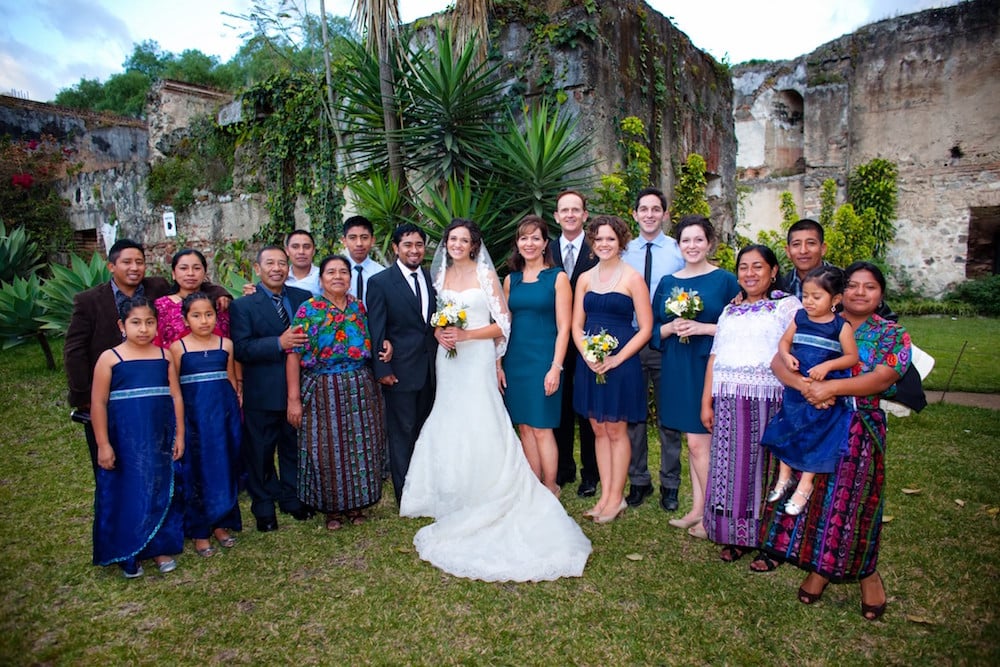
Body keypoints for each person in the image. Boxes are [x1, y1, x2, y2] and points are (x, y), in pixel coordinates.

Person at [400, 218, 591, 582]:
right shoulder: (438, 276)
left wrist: (468, 335)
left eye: (464, 240)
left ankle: (539, 486)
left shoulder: (489, 276)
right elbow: (435, 318)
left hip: (477, 358)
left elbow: (504, 324)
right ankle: (453, 486)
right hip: (450, 359)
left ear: (474, 245)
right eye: (451, 239)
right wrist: (442, 332)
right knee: (452, 418)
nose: (456, 244)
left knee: (488, 419)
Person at [760, 262, 911, 622]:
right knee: (814, 501)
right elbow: (778, 362)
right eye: (854, 286)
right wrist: (807, 388)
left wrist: (830, 387)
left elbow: (882, 377)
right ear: (840, 294)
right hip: (811, 420)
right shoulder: (817, 317)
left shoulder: (892, 334)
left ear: (881, 294)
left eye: (870, 287)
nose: (861, 293)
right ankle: (821, 569)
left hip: (859, 426)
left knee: (854, 503)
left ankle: (867, 574)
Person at [64, 239, 229, 478]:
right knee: (112, 463)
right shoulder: (90, 300)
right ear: (111, 266)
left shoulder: (157, 287)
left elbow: (192, 287)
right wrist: (83, 396)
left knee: (154, 457)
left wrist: (222, 293)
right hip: (113, 388)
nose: (134, 268)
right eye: (127, 262)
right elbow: (74, 349)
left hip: (155, 385)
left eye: (139, 262)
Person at [699, 245, 799, 571]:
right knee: (733, 471)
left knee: (769, 472)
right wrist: (706, 401)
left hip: (772, 400)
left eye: (758, 267)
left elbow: (796, 353)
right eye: (744, 267)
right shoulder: (730, 310)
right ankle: (737, 536)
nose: (750, 273)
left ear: (773, 271)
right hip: (729, 400)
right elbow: (716, 355)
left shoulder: (786, 307)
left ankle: (772, 543)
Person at [651, 216, 740, 537]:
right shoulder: (667, 282)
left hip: (708, 365)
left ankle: (712, 515)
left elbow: (741, 325)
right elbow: (653, 330)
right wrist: (671, 327)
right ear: (678, 245)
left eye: (698, 240)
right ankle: (697, 507)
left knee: (700, 443)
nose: (692, 246)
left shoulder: (725, 281)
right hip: (677, 365)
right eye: (686, 241)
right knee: (694, 442)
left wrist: (703, 327)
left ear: (710, 243)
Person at [286, 255, 387, 530]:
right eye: (331, 272)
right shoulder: (309, 310)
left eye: (343, 272)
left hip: (359, 385)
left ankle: (356, 505)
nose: (338, 277)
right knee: (325, 449)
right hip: (321, 386)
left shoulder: (359, 307)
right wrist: (293, 399)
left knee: (359, 446)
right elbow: (293, 354)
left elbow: (376, 337)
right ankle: (332, 509)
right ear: (321, 279)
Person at [90, 297, 184, 578]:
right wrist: (104, 444)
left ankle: (159, 546)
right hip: (126, 441)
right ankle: (129, 550)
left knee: (159, 486)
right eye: (135, 322)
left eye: (149, 322)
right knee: (129, 491)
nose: (143, 329)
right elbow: (98, 403)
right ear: (122, 325)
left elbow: (175, 395)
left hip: (159, 438)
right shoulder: (110, 358)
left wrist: (179, 433)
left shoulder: (164, 356)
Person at [572, 215, 653, 524]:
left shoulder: (633, 278)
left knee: (617, 430)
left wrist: (617, 358)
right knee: (598, 428)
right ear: (592, 242)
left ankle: (616, 498)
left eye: (610, 239)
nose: (604, 244)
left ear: (621, 242)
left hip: (621, 363)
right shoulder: (584, 279)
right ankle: (605, 495)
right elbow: (577, 325)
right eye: (599, 239)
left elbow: (645, 328)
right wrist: (586, 353)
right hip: (590, 361)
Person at [761, 266, 859, 516]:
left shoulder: (840, 327)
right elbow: (784, 342)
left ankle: (805, 484)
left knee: (816, 436)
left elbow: (851, 357)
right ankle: (784, 478)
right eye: (806, 295)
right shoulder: (800, 318)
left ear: (835, 300)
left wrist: (828, 365)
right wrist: (786, 356)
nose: (809, 301)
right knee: (787, 428)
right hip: (797, 386)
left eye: (817, 297)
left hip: (822, 390)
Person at [230, 246, 313, 532]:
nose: (277, 268)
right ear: (257, 268)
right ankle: (264, 506)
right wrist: (279, 343)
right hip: (262, 391)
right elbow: (241, 348)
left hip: (299, 389)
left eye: (282, 263)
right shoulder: (242, 306)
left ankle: (292, 498)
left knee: (293, 447)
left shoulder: (304, 299)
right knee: (261, 452)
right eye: (270, 263)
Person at [621, 187, 685, 511]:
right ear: (634, 214)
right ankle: (639, 480)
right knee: (634, 416)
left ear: (664, 213)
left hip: (666, 341)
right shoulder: (623, 251)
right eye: (643, 209)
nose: (649, 214)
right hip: (631, 341)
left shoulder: (678, 251)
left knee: (668, 416)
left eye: (655, 209)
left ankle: (670, 484)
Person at [366, 223, 438, 503]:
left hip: (432, 370)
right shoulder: (381, 282)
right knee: (402, 433)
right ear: (396, 248)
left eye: (419, 245)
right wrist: (383, 370)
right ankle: (405, 493)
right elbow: (377, 328)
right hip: (400, 371)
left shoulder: (434, 278)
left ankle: (427, 487)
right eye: (408, 245)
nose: (414, 250)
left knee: (426, 430)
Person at [501, 215, 572, 496]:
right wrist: (499, 363)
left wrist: (556, 367)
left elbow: (564, 327)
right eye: (523, 238)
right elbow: (503, 327)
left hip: (544, 360)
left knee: (542, 427)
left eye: (535, 238)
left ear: (545, 243)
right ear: (517, 244)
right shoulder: (511, 281)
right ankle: (533, 486)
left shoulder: (558, 278)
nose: (528, 243)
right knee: (525, 427)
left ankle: (551, 486)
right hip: (516, 361)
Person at [168, 292, 242, 557]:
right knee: (197, 473)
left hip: (223, 419)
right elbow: (174, 389)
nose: (204, 321)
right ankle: (200, 531)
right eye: (196, 316)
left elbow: (231, 381)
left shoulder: (226, 345)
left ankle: (222, 523)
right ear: (186, 319)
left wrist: (234, 414)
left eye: (209, 314)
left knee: (224, 468)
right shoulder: (178, 349)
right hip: (195, 421)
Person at [550, 190, 600, 497]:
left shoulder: (599, 248)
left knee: (588, 409)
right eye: (564, 210)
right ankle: (563, 467)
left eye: (575, 209)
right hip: (556, 341)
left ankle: (591, 474)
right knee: (560, 407)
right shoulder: (546, 249)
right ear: (556, 216)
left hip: (591, 339)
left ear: (584, 215)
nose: (569, 214)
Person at [154, 248, 231, 348]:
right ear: (173, 274)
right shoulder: (161, 306)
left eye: (197, 268)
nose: (190, 273)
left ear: (205, 273)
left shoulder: (218, 303)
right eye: (183, 268)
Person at [342, 215, 385, 307]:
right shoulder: (334, 273)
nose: (359, 244)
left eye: (364, 237)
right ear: (344, 241)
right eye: (353, 238)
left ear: (372, 240)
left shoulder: (382, 274)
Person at [284, 229, 322, 296]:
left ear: (313, 251)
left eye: (306, 247)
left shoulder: (322, 277)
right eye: (295, 247)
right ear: (287, 251)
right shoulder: (281, 277)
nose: (301, 252)